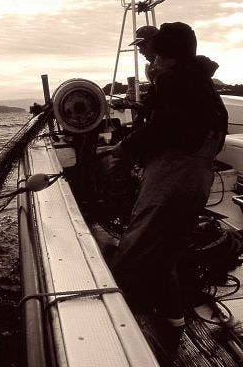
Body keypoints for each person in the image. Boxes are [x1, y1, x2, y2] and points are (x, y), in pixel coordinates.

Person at [110, 22, 228, 357]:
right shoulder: (201, 86)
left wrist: (124, 149)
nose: (154, 62)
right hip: (196, 184)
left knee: (134, 252)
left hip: (173, 184)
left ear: (172, 58)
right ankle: (174, 322)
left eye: (158, 56)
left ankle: (115, 337)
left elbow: (164, 129)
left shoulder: (176, 84)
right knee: (166, 255)